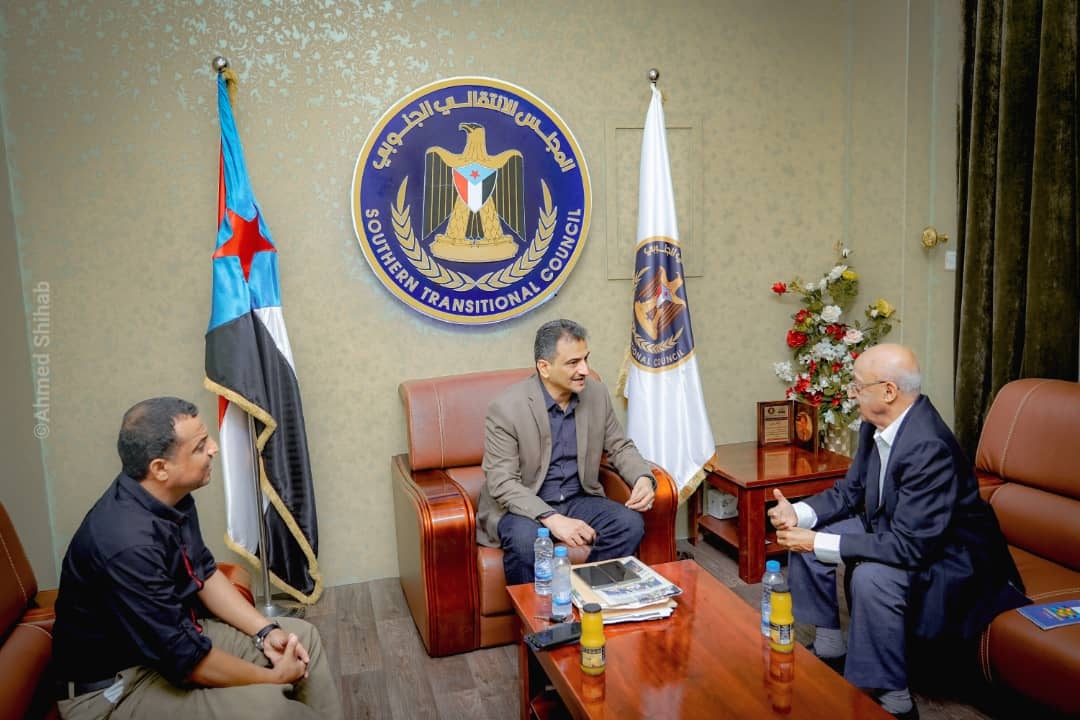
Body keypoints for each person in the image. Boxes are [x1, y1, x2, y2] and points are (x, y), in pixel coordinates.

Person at [767, 344, 1027, 720]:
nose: (851, 394)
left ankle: (895, 699)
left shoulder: (929, 446)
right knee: (806, 533)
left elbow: (912, 547)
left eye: (857, 386)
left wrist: (818, 542)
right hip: (896, 527)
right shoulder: (876, 424)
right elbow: (851, 491)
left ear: (888, 391)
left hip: (950, 556)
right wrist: (799, 513)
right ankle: (830, 645)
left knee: (871, 575)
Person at [52, 397, 343, 720]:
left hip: (166, 646)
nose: (214, 448)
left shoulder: (171, 498)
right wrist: (274, 677)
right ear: (160, 468)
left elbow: (204, 572)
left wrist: (266, 631)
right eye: (200, 446)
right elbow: (186, 660)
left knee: (301, 639)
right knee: (269, 706)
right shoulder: (127, 545)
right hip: (114, 690)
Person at [477, 318, 657, 585]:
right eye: (573, 363)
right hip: (524, 505)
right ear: (544, 367)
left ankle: (588, 594)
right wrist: (552, 518)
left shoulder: (596, 394)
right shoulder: (507, 408)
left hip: (578, 498)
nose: (585, 370)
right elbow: (502, 482)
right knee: (525, 541)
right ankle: (535, 612)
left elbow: (619, 446)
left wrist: (642, 477)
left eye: (585, 359)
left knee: (629, 524)